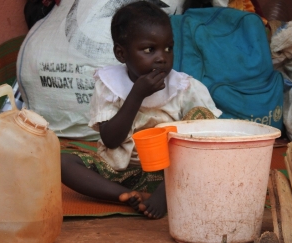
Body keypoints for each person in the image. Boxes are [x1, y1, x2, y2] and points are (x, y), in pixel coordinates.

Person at [60, 1, 222, 219]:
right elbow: (110, 140)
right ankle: (128, 195)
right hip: (121, 171)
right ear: (121, 53)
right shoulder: (109, 85)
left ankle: (164, 194)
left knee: (203, 120)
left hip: (170, 173)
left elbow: (209, 140)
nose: (161, 57)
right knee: (63, 162)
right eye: (149, 49)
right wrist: (136, 95)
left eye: (168, 48)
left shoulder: (185, 88)